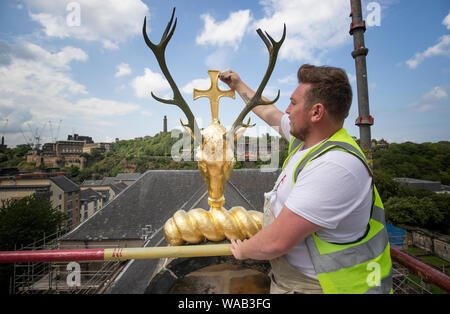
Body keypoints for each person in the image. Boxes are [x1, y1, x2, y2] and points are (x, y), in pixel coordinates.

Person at [219, 64, 392, 294]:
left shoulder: (335, 165)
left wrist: (243, 250)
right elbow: (269, 113)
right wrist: (238, 84)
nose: (287, 110)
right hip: (295, 282)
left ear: (316, 112)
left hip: (320, 288)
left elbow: (276, 242)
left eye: (293, 103)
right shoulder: (307, 143)